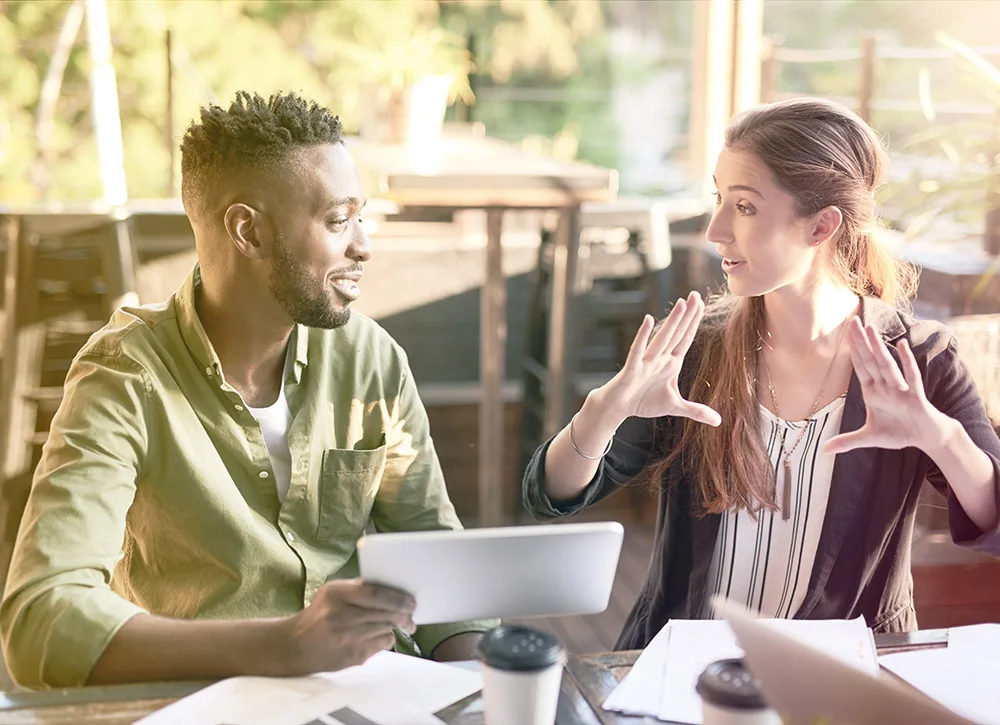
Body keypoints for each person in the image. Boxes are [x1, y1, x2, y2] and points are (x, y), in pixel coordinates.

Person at [0, 91, 495, 689]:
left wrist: (477, 686)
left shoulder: (371, 359)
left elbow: (435, 554)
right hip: (203, 700)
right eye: (339, 221)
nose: (363, 245)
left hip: (373, 694)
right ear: (248, 232)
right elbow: (42, 620)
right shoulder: (124, 376)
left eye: (361, 217)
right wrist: (284, 646)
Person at [523, 97, 1000, 650]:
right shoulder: (698, 350)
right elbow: (550, 494)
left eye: (744, 207)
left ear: (822, 226)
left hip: (847, 679)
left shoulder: (920, 361)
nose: (715, 229)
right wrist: (603, 412)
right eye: (719, 199)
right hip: (683, 671)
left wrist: (939, 438)